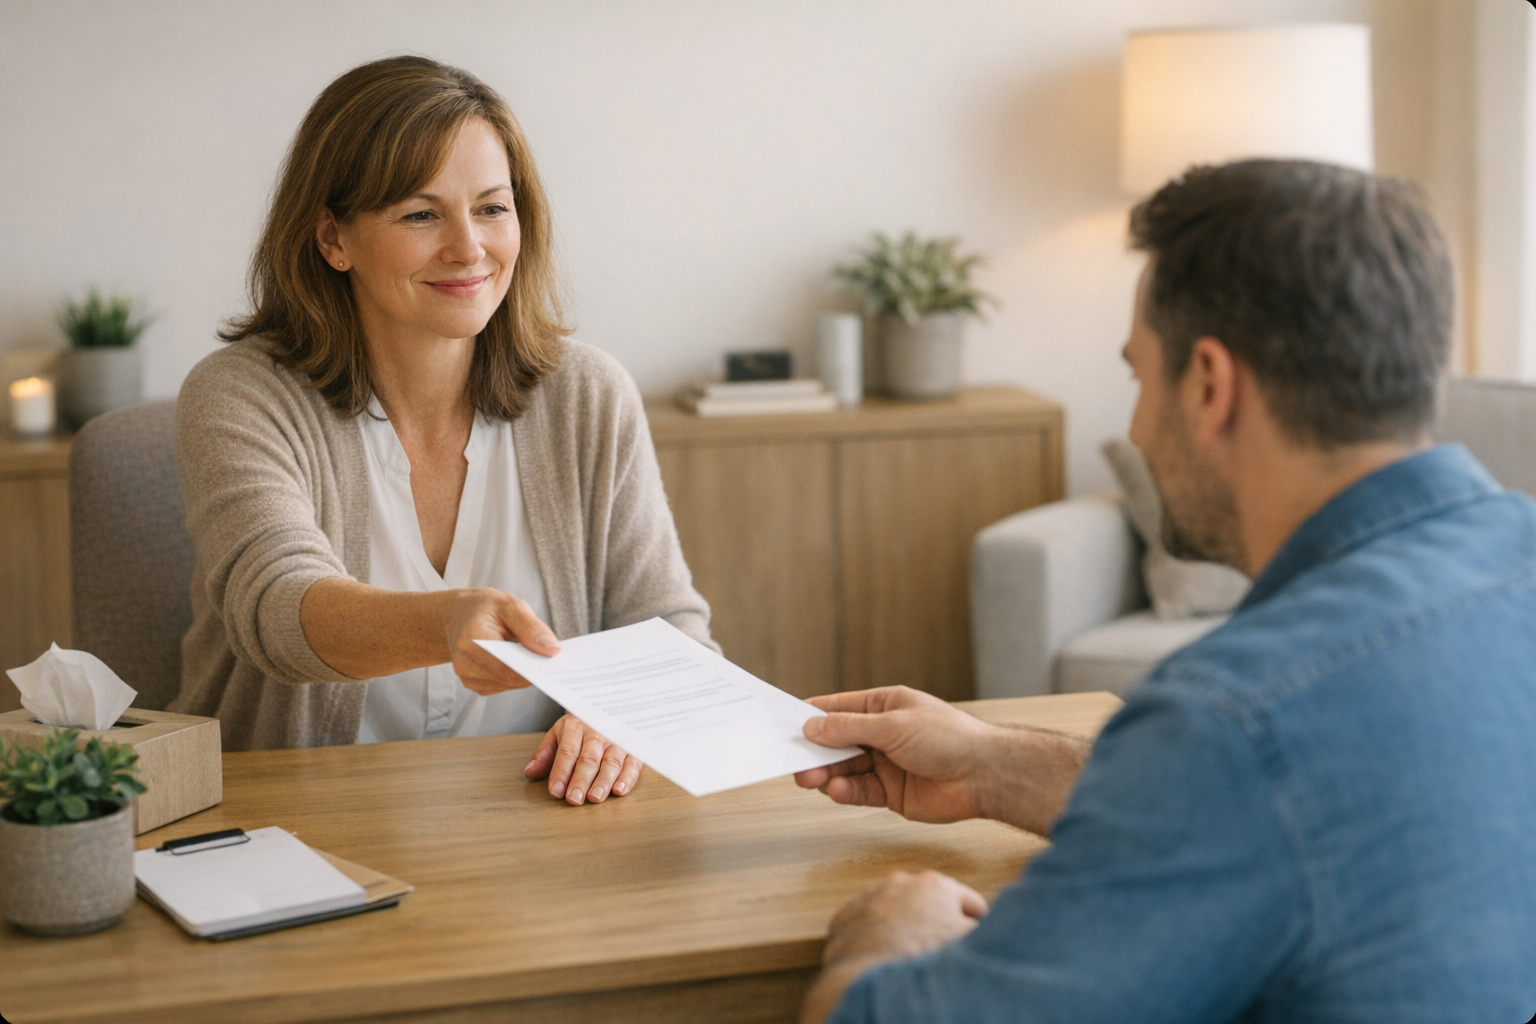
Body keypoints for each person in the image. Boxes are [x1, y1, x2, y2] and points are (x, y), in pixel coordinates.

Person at [794, 160, 1536, 1022]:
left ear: (1211, 384)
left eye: (1139, 377)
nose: (1138, 427)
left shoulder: (1234, 718)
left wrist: (880, 938)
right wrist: (992, 765)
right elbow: (1315, 813)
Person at [171, 56, 715, 808]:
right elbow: (275, 610)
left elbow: (672, 629)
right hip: (294, 825)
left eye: (492, 208)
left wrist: (622, 716)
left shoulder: (588, 395)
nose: (469, 248)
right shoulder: (238, 396)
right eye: (421, 215)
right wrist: (443, 622)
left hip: (542, 826)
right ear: (333, 238)